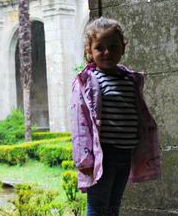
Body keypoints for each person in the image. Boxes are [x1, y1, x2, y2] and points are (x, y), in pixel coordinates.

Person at [71, 17, 161, 216]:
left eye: (113, 46)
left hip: (125, 153)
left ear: (123, 48)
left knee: (113, 206)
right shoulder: (89, 81)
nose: (107, 52)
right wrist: (84, 159)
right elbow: (80, 122)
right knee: (97, 206)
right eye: (100, 48)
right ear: (89, 51)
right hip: (102, 155)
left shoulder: (130, 80)